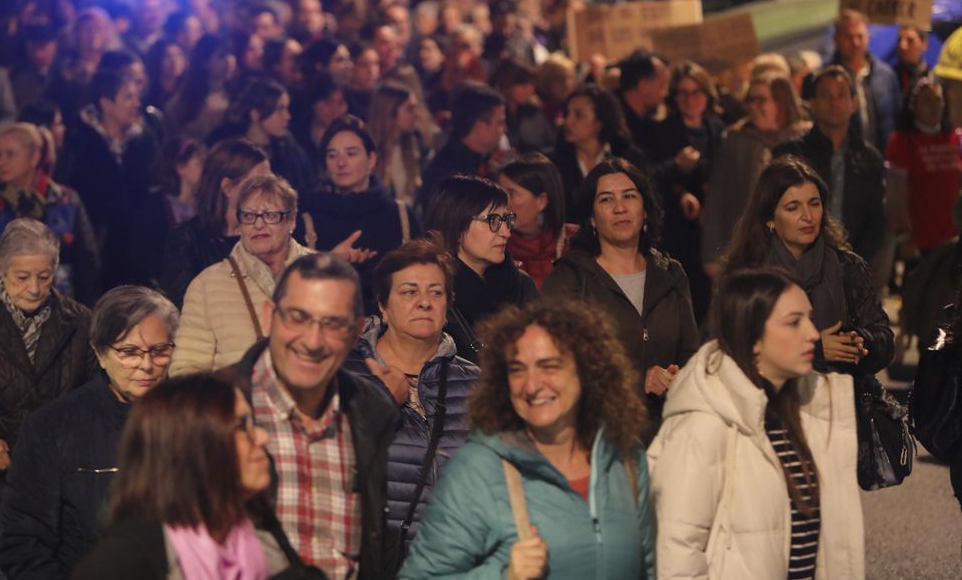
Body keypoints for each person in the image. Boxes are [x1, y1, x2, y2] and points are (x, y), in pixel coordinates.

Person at [399, 300, 654, 579]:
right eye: (518, 370)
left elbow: (649, 569)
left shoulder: (625, 458)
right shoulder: (480, 468)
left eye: (549, 366)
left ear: (587, 372)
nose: (531, 385)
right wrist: (502, 575)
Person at [648, 268, 864, 580]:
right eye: (794, 322)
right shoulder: (704, 423)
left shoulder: (803, 408)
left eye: (810, 318)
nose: (813, 334)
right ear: (753, 338)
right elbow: (676, 552)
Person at [217, 253, 399, 579]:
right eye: (298, 318)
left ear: (357, 330)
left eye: (332, 324)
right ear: (270, 315)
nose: (312, 342)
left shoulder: (371, 412)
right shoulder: (213, 407)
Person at [0, 285, 180, 578]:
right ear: (100, 353)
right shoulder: (52, 427)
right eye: (129, 352)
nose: (147, 365)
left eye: (159, 351)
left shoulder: (198, 421)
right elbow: (22, 543)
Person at [72, 374, 324, 579]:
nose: (262, 437)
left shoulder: (257, 521)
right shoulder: (124, 562)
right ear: (192, 447)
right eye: (241, 426)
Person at [0, 219, 94, 580]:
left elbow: (96, 393)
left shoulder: (81, 321)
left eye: (44, 276)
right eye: (22, 277)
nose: (35, 288)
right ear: (0, 269)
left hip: (65, 490)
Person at [344, 238, 479, 554]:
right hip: (378, 558)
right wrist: (382, 403)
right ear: (382, 306)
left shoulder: (475, 382)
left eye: (436, 292)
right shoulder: (348, 375)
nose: (424, 302)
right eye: (409, 292)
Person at [543, 158, 700, 414]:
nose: (620, 208)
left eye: (629, 196)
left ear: (645, 209)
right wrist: (639, 380)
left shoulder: (672, 273)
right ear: (592, 218)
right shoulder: (569, 279)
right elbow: (557, 366)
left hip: (671, 426)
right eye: (606, 199)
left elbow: (691, 353)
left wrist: (679, 375)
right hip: (601, 432)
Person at [721, 156, 893, 374]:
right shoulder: (747, 276)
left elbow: (885, 341)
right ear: (770, 219)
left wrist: (856, 342)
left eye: (814, 203)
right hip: (772, 402)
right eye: (793, 207)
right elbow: (736, 351)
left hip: (843, 398)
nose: (808, 216)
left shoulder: (847, 267)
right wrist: (816, 350)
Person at [173, 174, 313, 375]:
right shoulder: (206, 285)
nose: (258, 224)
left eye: (270, 215)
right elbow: (186, 370)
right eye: (249, 216)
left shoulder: (322, 275)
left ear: (291, 220)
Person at [0, 123, 100, 305]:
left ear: (34, 157)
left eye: (10, 154)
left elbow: (87, 266)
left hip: (58, 315)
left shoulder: (66, 201)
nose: (1, 161)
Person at [294, 116, 415, 312]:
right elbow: (294, 288)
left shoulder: (400, 215)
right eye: (332, 155)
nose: (341, 163)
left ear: (371, 160)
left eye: (351, 153)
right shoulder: (309, 219)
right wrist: (329, 261)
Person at [55, 68, 160, 290]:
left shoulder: (145, 141)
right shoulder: (80, 141)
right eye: (127, 97)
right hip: (93, 241)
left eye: (136, 97)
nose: (136, 103)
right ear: (106, 103)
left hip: (135, 244)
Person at [774, 65, 886, 266]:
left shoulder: (870, 159)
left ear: (854, 103)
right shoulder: (790, 155)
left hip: (851, 264)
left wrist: (855, 262)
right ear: (813, 104)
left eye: (841, 95)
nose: (834, 102)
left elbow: (876, 222)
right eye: (826, 95)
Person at [702, 73, 812, 276]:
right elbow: (717, 199)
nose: (753, 106)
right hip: (750, 252)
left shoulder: (804, 138)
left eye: (760, 100)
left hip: (799, 251)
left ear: (782, 101)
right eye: (750, 100)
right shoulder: (736, 140)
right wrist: (712, 255)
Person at [425, 175, 538, 362]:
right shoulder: (434, 292)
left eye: (506, 219)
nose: (506, 232)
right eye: (492, 220)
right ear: (456, 224)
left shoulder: (521, 285)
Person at [653, 61, 725, 322]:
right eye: (683, 92)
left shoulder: (717, 128)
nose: (690, 99)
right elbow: (652, 176)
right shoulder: (664, 131)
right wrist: (679, 184)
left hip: (715, 225)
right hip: (683, 232)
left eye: (696, 92)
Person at [160, 139, 270, 308]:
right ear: (228, 187)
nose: (269, 192)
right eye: (259, 184)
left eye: (270, 182)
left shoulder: (270, 233)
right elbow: (184, 306)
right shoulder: (187, 239)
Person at [885, 77, 961, 262]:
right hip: (921, 241)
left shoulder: (955, 138)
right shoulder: (902, 142)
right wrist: (903, 235)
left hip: (954, 236)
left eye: (938, 100)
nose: (935, 107)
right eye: (927, 101)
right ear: (913, 106)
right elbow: (895, 194)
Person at [549, 84, 648, 223]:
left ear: (600, 122)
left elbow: (647, 205)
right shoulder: (554, 163)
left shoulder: (628, 158)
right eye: (567, 114)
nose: (567, 121)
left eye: (578, 115)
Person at [209, 78, 317, 196]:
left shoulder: (288, 148)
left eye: (287, 109)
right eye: (280, 109)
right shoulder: (234, 152)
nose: (287, 116)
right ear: (255, 114)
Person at [128, 138, 206, 288]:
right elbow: (143, 259)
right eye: (201, 163)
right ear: (181, 168)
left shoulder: (205, 205)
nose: (208, 170)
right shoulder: (153, 208)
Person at [417, 83, 506, 212]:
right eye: (500, 122)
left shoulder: (483, 163)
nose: (504, 129)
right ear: (480, 126)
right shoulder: (449, 177)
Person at [821, 9, 900, 153]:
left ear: (868, 37)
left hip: (882, 160)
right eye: (849, 37)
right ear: (836, 39)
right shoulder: (823, 78)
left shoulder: (885, 75)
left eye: (860, 36)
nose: (855, 43)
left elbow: (897, 119)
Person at [498, 153, 574, 289]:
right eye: (501, 193)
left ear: (541, 201)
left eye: (512, 194)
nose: (503, 203)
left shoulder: (573, 242)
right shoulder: (495, 244)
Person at [164, 35, 236, 141]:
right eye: (221, 56)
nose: (228, 61)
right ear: (205, 62)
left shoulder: (238, 94)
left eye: (230, 54)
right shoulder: (185, 101)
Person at [367, 83, 424, 205]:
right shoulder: (368, 153)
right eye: (410, 109)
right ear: (390, 113)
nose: (416, 114)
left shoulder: (414, 148)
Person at [616, 49, 670, 155]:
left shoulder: (648, 124)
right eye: (662, 86)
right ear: (644, 86)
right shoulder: (613, 127)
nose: (666, 93)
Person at [893, 25, 930, 98]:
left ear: (924, 45)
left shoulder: (932, 79)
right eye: (899, 40)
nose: (902, 45)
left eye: (910, 41)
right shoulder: (888, 76)